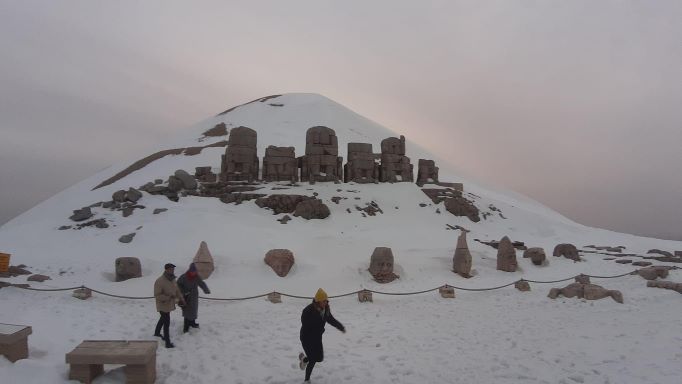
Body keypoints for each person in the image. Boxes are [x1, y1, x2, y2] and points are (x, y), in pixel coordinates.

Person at [299, 288, 346, 382]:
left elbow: (331, 320)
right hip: (306, 338)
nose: (326, 302)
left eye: (326, 300)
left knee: (319, 358)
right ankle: (306, 380)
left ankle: (304, 359)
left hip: (317, 338)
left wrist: (340, 327)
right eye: (324, 301)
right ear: (318, 301)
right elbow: (306, 325)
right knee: (312, 359)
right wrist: (319, 321)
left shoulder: (326, 309)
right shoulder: (308, 310)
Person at [153, 263, 185, 348]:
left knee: (163, 319)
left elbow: (177, 290)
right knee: (166, 322)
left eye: (173, 269)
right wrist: (168, 297)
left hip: (169, 305)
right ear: (166, 270)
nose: (172, 270)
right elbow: (157, 295)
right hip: (162, 305)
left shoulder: (173, 279)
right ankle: (167, 343)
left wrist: (182, 299)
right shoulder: (160, 281)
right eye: (171, 269)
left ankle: (156, 333)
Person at [176, 263, 211, 333]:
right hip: (186, 297)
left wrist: (206, 290)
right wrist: (184, 291)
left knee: (193, 311)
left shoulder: (196, 276)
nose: (193, 273)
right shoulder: (184, 277)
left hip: (194, 297)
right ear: (189, 270)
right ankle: (186, 328)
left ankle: (192, 323)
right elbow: (178, 284)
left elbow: (201, 283)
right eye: (192, 271)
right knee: (187, 313)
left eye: (194, 271)